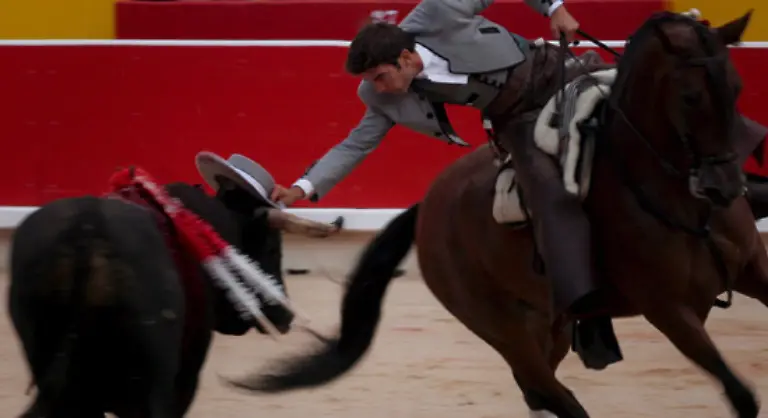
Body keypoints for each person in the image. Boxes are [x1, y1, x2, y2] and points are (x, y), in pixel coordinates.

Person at [269, 0, 768, 370]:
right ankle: (584, 306)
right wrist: (303, 187)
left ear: (405, 59)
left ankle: (747, 186)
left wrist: (554, 7)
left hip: (562, 73)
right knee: (551, 199)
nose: (376, 89)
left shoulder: (438, 12)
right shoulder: (377, 94)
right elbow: (356, 144)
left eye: (381, 77)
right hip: (518, 125)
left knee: (678, 111)